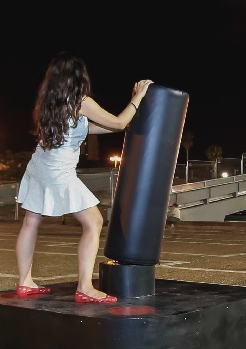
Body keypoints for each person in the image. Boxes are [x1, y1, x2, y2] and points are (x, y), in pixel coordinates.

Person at [14, 54, 151, 303]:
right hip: (59, 171)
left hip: (39, 165)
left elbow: (91, 128)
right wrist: (138, 97)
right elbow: (118, 122)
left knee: (31, 222)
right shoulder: (81, 101)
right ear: (79, 77)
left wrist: (124, 123)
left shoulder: (49, 102)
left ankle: (25, 282)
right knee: (94, 222)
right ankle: (85, 287)